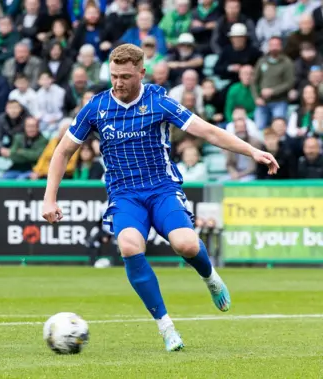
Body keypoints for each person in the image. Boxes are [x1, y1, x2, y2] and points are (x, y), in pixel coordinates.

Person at [41, 44, 279, 352]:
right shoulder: (96, 107)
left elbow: (208, 132)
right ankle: (166, 327)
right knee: (128, 245)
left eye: (125, 76)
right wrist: (50, 198)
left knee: (187, 244)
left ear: (141, 72)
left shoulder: (159, 101)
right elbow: (62, 152)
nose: (118, 83)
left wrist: (253, 150)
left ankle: (210, 277)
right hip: (125, 195)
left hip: (162, 189)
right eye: (114, 76)